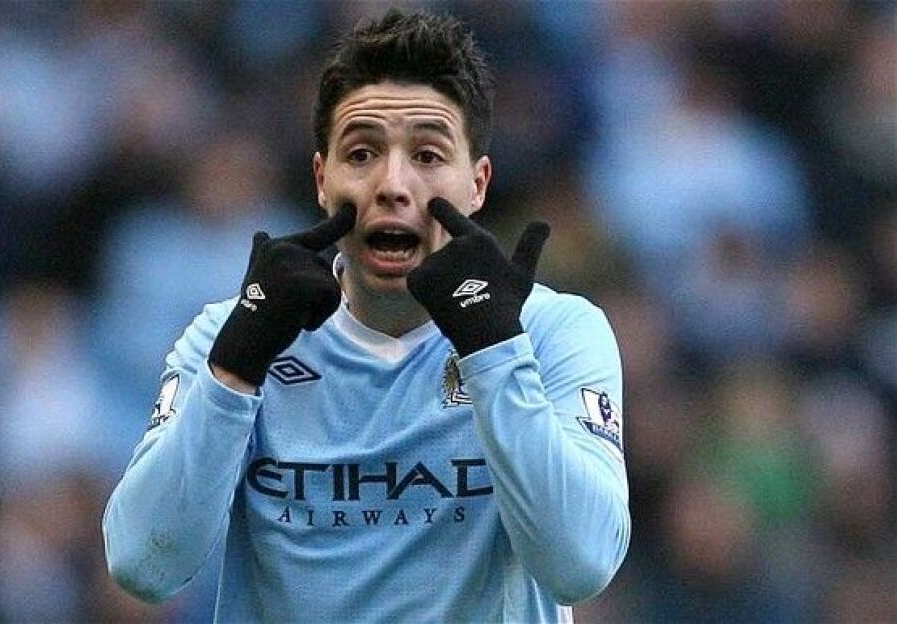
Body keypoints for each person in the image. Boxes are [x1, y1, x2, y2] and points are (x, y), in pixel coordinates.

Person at [103, 10, 630, 623]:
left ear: (478, 183)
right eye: (361, 154)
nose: (392, 184)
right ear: (322, 180)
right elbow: (144, 567)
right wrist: (235, 371)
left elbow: (580, 567)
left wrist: (494, 349)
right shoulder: (237, 337)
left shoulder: (552, 332)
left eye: (428, 155)